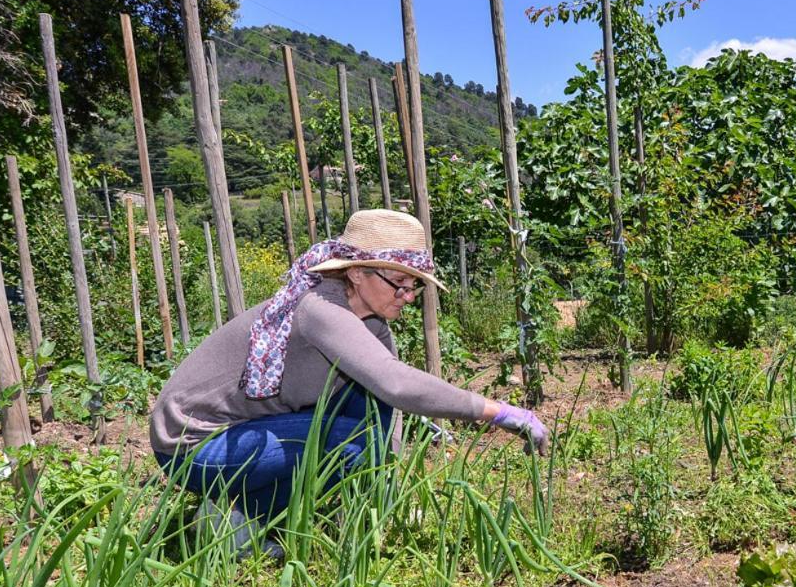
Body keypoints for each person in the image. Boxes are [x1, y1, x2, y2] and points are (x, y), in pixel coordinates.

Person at [149, 209, 546, 557]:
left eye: (415, 286)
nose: (408, 297)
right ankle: (238, 521)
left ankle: (239, 513)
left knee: (364, 427)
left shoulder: (370, 325)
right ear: (357, 272)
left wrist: (384, 497)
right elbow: (398, 385)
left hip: (245, 435)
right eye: (399, 284)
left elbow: (384, 405)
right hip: (193, 445)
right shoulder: (321, 309)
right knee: (354, 443)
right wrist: (499, 412)